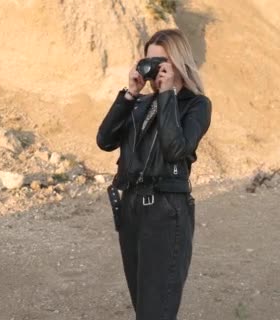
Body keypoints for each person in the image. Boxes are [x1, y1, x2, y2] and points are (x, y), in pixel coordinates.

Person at [96, 28, 212, 319]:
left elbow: (176, 149)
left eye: (161, 63)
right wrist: (130, 93)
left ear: (178, 63)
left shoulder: (196, 105)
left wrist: (168, 93)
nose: (152, 69)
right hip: (132, 208)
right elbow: (105, 140)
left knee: (155, 312)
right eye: (148, 61)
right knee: (143, 308)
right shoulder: (141, 102)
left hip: (166, 212)